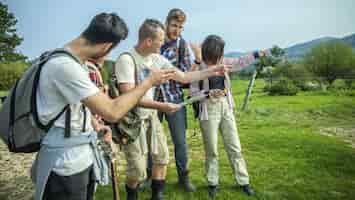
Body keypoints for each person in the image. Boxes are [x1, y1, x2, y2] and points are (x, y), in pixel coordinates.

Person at [31, 13, 175, 200]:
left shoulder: (75, 63)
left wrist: (96, 125)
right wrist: (148, 83)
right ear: (107, 46)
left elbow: (73, 106)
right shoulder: (65, 67)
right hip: (64, 165)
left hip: (79, 156)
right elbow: (112, 111)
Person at [114, 19, 228, 200]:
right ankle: (131, 196)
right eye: (160, 39)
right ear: (149, 41)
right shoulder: (126, 60)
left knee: (162, 157)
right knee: (137, 170)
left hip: (151, 116)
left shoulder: (157, 59)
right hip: (132, 120)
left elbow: (183, 77)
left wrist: (212, 70)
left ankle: (156, 196)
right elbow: (129, 97)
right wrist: (162, 106)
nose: (163, 42)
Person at [190, 35, 266, 198]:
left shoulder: (224, 62)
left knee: (234, 146)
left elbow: (239, 62)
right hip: (208, 109)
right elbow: (193, 93)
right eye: (216, 54)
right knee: (212, 149)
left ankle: (243, 181)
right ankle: (213, 183)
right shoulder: (199, 67)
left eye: (220, 54)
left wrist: (256, 54)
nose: (218, 58)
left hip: (225, 107)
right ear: (209, 52)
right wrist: (208, 93)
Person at [147, 8, 196, 192]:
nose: (177, 30)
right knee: (152, 140)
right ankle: (149, 177)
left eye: (181, 27)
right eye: (174, 25)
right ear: (166, 23)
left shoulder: (182, 46)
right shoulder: (155, 42)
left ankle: (184, 177)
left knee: (180, 141)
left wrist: (169, 73)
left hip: (174, 99)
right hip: (153, 99)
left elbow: (185, 72)